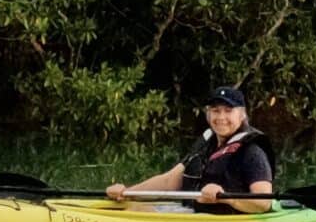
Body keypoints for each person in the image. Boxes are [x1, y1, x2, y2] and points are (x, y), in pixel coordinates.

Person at [107, 86, 277, 214]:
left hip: (226, 221)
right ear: (208, 114)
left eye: (228, 111)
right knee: (132, 207)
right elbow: (169, 181)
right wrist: (127, 192)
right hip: (193, 213)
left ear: (242, 115)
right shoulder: (206, 144)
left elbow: (263, 202)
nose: (221, 117)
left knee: (137, 212)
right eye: (215, 111)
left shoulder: (252, 152)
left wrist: (228, 197)